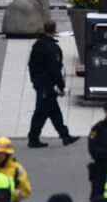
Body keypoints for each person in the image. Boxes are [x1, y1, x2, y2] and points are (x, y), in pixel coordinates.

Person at [27, 19, 80, 148]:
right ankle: (35, 138)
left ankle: (64, 136)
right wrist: (61, 87)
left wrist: (34, 81)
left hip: (40, 84)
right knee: (43, 112)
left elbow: (31, 65)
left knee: (50, 111)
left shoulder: (37, 45)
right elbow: (55, 69)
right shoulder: (51, 48)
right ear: (54, 29)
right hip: (46, 85)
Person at [0, 137, 32, 201]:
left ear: (7, 155)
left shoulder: (17, 169)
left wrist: (14, 194)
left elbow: (26, 190)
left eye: (0, 153)